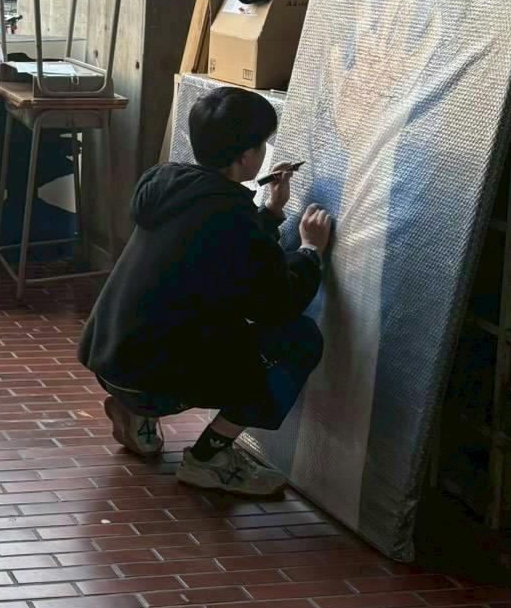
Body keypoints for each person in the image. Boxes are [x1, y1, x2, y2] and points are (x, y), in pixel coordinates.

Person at [77, 86, 335, 497]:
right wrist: (310, 251)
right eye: (262, 145)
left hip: (109, 359)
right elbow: (277, 304)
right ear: (246, 157)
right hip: (151, 379)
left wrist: (270, 212)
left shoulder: (167, 182)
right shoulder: (233, 217)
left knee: (182, 329)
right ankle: (208, 459)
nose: (264, 153)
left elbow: (221, 245)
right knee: (300, 340)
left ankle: (134, 414)